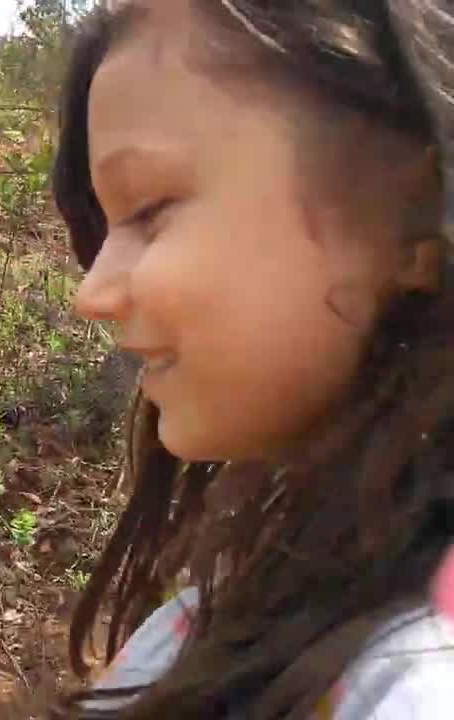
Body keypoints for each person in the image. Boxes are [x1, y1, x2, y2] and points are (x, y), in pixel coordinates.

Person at [49, 1, 454, 718]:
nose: (93, 292)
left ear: (417, 212)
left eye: (147, 209)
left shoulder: (413, 686)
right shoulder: (244, 605)